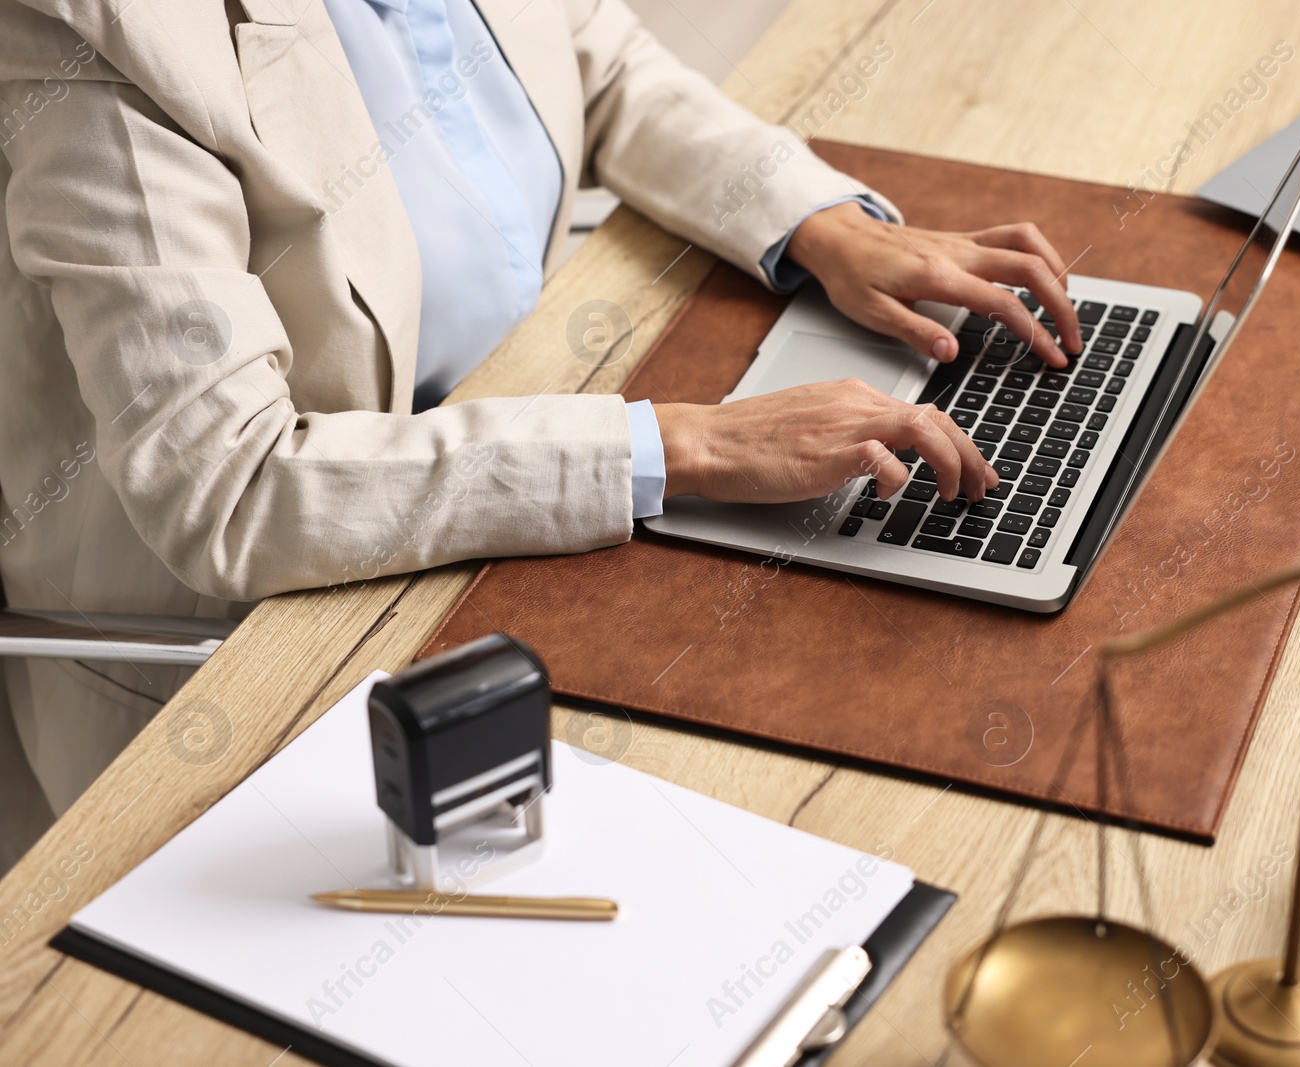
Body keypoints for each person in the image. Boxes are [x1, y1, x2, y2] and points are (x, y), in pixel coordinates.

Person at [0, 0, 1084, 826]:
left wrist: (819, 223)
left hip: (525, 459)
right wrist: (692, 441)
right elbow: (228, 488)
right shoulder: (104, 37)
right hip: (259, 655)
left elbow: (601, 63)